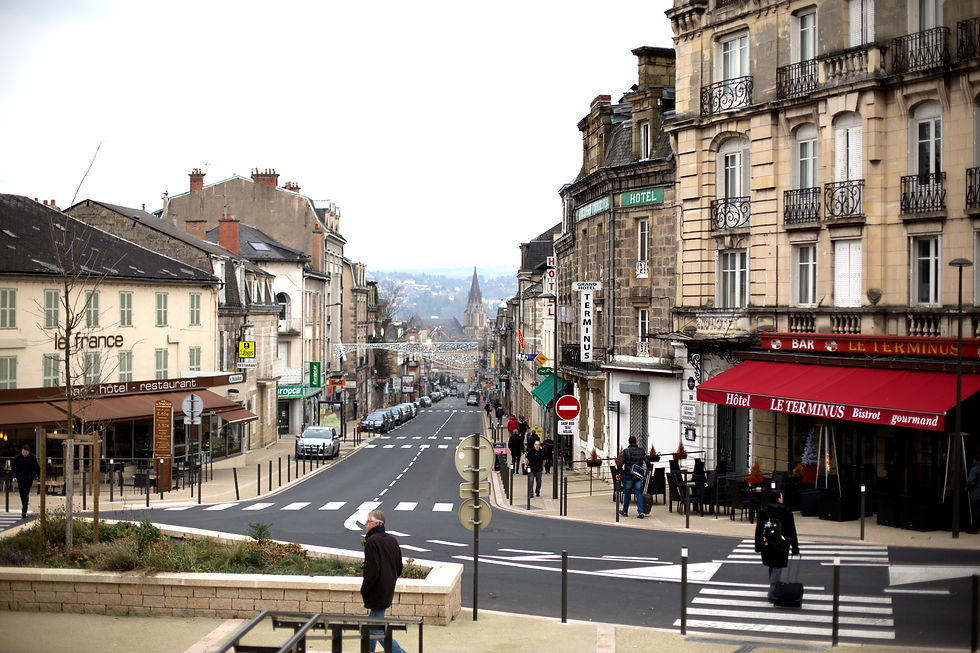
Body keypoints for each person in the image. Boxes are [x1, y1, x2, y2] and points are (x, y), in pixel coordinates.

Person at [361, 510, 407, 653]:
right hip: (387, 589)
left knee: (376, 630)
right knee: (370, 627)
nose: (365, 524)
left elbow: (372, 571)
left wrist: (365, 589)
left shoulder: (371, 542)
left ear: (376, 524)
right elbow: (399, 567)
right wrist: (390, 580)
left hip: (377, 592)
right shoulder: (392, 540)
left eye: (368, 522)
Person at [754, 490, 800, 601]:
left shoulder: (764, 511)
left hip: (767, 542)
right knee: (777, 567)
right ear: (779, 498)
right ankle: (772, 592)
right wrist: (795, 547)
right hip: (782, 543)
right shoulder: (787, 512)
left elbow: (759, 529)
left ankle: (773, 588)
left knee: (771, 565)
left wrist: (758, 545)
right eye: (781, 496)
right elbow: (792, 531)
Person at [615, 436, 650, 518]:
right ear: (636, 442)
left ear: (629, 442)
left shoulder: (626, 451)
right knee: (638, 493)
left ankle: (625, 511)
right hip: (638, 475)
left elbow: (620, 464)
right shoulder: (641, 451)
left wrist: (618, 473)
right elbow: (648, 461)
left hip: (628, 475)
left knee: (627, 493)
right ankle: (641, 512)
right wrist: (649, 469)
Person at [11, 443, 40, 519]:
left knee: (26, 493)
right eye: (23, 452)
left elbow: (37, 468)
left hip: (29, 478)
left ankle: (24, 510)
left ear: (28, 452)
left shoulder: (32, 457)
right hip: (20, 478)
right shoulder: (17, 458)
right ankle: (25, 506)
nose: (24, 454)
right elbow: (13, 468)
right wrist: (14, 476)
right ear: (22, 451)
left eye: (26, 453)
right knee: (21, 493)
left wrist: (40, 477)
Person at [967, 457, 980, 534]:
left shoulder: (975, 468)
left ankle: (975, 529)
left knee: (976, 511)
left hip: (976, 493)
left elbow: (970, 481)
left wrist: (968, 488)